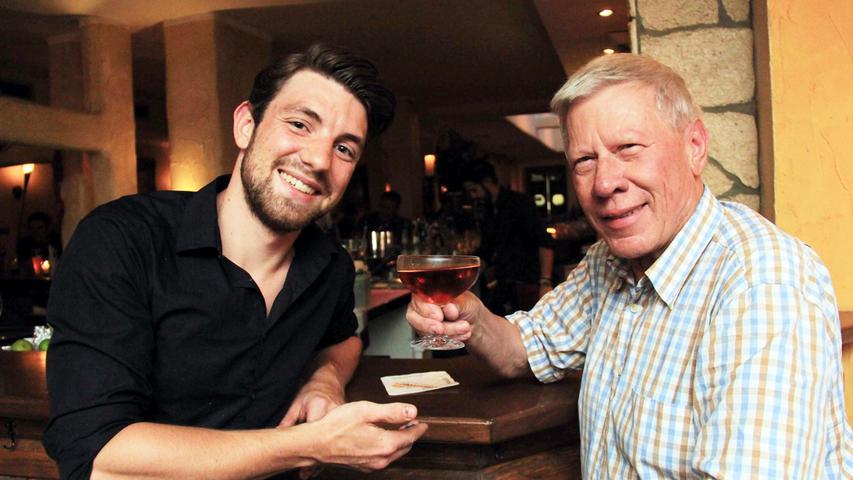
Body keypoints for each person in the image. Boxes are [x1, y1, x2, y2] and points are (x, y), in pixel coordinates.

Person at [407, 53, 852, 478]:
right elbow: (528, 348)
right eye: (585, 160)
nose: (604, 183)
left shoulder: (762, 282)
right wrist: (471, 316)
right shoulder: (610, 262)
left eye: (629, 148)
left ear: (695, 146)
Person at [44, 44, 427, 480]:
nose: (319, 160)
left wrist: (326, 380)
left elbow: (343, 339)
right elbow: (97, 459)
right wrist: (309, 446)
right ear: (246, 125)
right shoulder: (123, 239)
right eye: (300, 124)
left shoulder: (330, 267)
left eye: (344, 150)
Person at [460, 159, 555, 314]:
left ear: (487, 182)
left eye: (474, 190)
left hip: (528, 283)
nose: (473, 196)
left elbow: (545, 243)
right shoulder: (489, 211)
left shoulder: (520, 203)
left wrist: (545, 283)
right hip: (505, 285)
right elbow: (488, 250)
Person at [15, 211, 62, 277]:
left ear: (47, 228)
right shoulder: (25, 244)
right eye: (32, 228)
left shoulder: (56, 242)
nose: (35, 232)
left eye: (39, 228)